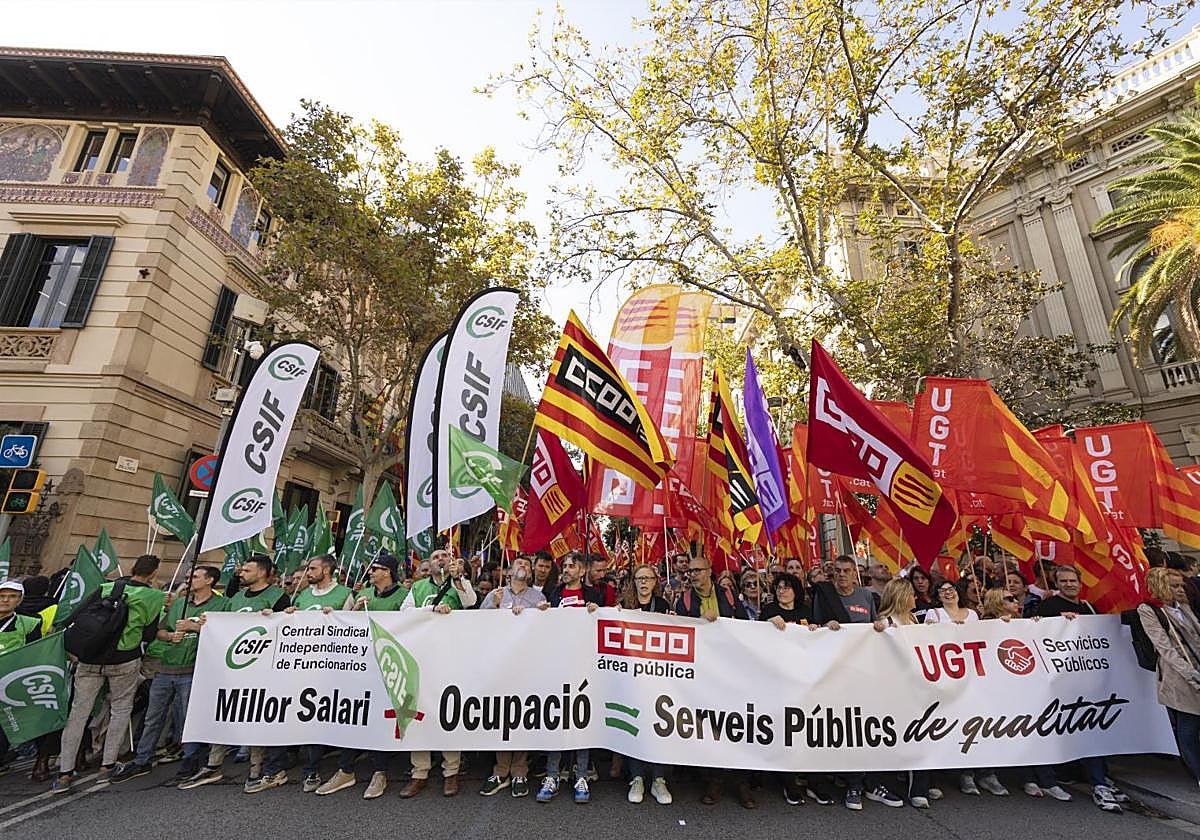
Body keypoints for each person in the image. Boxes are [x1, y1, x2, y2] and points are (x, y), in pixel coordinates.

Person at [54, 554, 166, 794]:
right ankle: (107, 766)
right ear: (154, 573)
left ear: (132, 568)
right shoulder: (154, 596)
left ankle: (65, 772)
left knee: (78, 714)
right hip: (124, 659)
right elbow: (148, 634)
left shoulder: (106, 587)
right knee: (120, 710)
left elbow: (75, 618)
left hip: (90, 657)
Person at [112, 565, 228, 784]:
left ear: (210, 580)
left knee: (188, 719)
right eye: (189, 576)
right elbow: (159, 631)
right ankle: (142, 759)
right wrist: (169, 636)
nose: (189, 580)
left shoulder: (222, 605)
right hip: (166, 668)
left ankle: (190, 761)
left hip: (194, 669)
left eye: (195, 577)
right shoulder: (180, 604)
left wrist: (195, 629)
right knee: (153, 717)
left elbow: (227, 633)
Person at [811, 555, 904, 810]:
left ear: (855, 574)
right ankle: (853, 784)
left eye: (847, 571)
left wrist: (877, 627)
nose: (842, 575)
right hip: (838, 672)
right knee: (850, 729)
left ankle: (872, 783)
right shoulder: (824, 595)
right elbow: (815, 628)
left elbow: (875, 628)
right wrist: (824, 626)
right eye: (838, 571)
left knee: (869, 728)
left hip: (866, 672)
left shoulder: (865, 597)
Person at [314, 554, 409, 800]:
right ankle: (345, 770)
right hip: (358, 664)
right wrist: (354, 609)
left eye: (375, 568)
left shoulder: (402, 595)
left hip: (386, 664)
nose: (370, 572)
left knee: (380, 720)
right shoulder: (363, 593)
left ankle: (380, 772)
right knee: (354, 716)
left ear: (387, 572)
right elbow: (345, 624)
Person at [1036, 564, 1129, 812]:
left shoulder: (1089, 607)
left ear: (1080, 582)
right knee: (1086, 730)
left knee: (1095, 729)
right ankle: (1098, 783)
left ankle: (1099, 777)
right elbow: (1035, 633)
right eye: (1063, 581)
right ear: (1056, 584)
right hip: (1064, 684)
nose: (1068, 585)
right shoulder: (1047, 608)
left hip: (1092, 679)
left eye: (1072, 581)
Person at [673, 556, 754, 808]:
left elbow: (745, 628)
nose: (693, 575)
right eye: (690, 571)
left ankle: (742, 783)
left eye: (698, 570)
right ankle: (715, 780)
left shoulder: (729, 597)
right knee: (712, 726)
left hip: (732, 670)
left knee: (736, 725)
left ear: (710, 572)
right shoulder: (684, 600)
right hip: (703, 672)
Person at [398, 549, 475, 798]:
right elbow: (404, 612)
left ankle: (450, 772)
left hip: (450, 657)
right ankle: (419, 772)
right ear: (428, 564)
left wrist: (459, 579)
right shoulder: (418, 587)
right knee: (418, 711)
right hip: (421, 656)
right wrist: (431, 610)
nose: (440, 559)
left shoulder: (459, 583)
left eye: (445, 556)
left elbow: (470, 601)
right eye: (436, 557)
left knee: (448, 711)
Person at [478, 556, 546, 799]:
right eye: (519, 563)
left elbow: (544, 629)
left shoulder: (538, 598)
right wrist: (493, 607)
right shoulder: (496, 594)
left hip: (527, 666)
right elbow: (477, 626)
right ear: (508, 571)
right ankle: (500, 770)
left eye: (527, 565)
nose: (523, 567)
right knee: (502, 715)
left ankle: (519, 770)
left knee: (522, 715)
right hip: (500, 665)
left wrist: (538, 615)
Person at [535, 553, 600, 803]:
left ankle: (580, 775)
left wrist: (597, 613)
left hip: (584, 668)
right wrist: (542, 612)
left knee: (581, 721)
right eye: (565, 566)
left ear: (582, 571)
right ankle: (552, 775)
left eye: (572, 566)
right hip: (557, 666)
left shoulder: (592, 596)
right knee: (557, 720)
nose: (567, 569)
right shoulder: (554, 594)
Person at [617, 564, 672, 805]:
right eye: (639, 578)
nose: (643, 582)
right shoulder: (624, 605)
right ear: (634, 582)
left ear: (654, 582)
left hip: (658, 674)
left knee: (660, 725)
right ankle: (637, 777)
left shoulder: (662, 606)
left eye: (648, 578)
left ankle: (658, 780)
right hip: (631, 675)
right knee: (634, 724)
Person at [1139, 566, 1200, 784]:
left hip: (1197, 665)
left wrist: (1186, 607)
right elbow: (1164, 648)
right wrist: (1190, 674)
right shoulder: (1148, 610)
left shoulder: (1182, 605)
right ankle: (1197, 772)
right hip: (1178, 675)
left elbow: (1195, 634)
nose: (1179, 589)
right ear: (1161, 586)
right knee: (1189, 725)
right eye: (1174, 586)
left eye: (1180, 585)